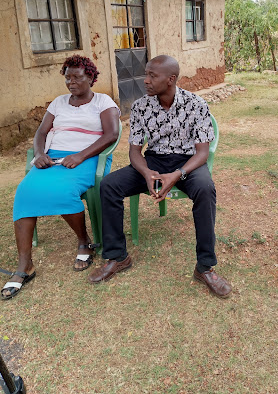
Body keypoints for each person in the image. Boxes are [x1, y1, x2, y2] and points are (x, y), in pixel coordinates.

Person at [88, 55, 232, 298]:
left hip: (188, 163)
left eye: (152, 76)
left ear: (171, 79)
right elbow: (135, 151)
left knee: (206, 190)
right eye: (146, 74)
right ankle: (117, 257)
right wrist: (146, 173)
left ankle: (205, 267)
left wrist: (177, 175)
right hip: (153, 160)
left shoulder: (196, 104)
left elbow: (202, 152)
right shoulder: (141, 106)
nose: (145, 81)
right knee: (110, 185)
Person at [1, 55, 120, 300]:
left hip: (89, 157)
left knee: (64, 191)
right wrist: (40, 153)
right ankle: (25, 265)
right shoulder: (58, 103)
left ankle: (84, 241)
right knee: (25, 192)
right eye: (68, 77)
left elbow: (111, 135)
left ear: (90, 77)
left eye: (77, 77)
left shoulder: (102, 101)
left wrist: (80, 155)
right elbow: (41, 133)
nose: (71, 82)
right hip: (54, 156)